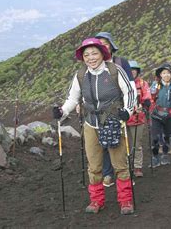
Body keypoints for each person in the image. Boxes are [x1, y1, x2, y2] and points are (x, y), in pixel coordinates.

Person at [53, 38, 137, 215]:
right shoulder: (81, 75)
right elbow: (72, 99)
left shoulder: (115, 70)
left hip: (113, 122)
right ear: (82, 57)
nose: (91, 57)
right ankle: (96, 200)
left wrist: (128, 111)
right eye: (86, 54)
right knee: (94, 165)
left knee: (120, 164)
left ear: (102, 53)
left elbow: (129, 91)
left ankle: (125, 201)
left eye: (94, 53)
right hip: (91, 123)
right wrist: (62, 111)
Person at [94, 31, 135, 188]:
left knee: (118, 143)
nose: (103, 46)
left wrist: (128, 108)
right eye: (100, 44)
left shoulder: (121, 62)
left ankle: (123, 174)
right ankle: (107, 173)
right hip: (98, 112)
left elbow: (130, 88)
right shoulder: (92, 65)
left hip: (117, 109)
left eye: (105, 43)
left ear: (111, 46)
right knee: (103, 143)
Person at [126, 60, 152, 177]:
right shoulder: (121, 83)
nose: (132, 72)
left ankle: (137, 167)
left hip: (137, 118)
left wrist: (144, 105)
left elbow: (147, 98)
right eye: (129, 70)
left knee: (137, 144)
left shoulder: (142, 84)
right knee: (123, 145)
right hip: (123, 119)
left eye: (134, 70)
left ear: (137, 71)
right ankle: (125, 167)